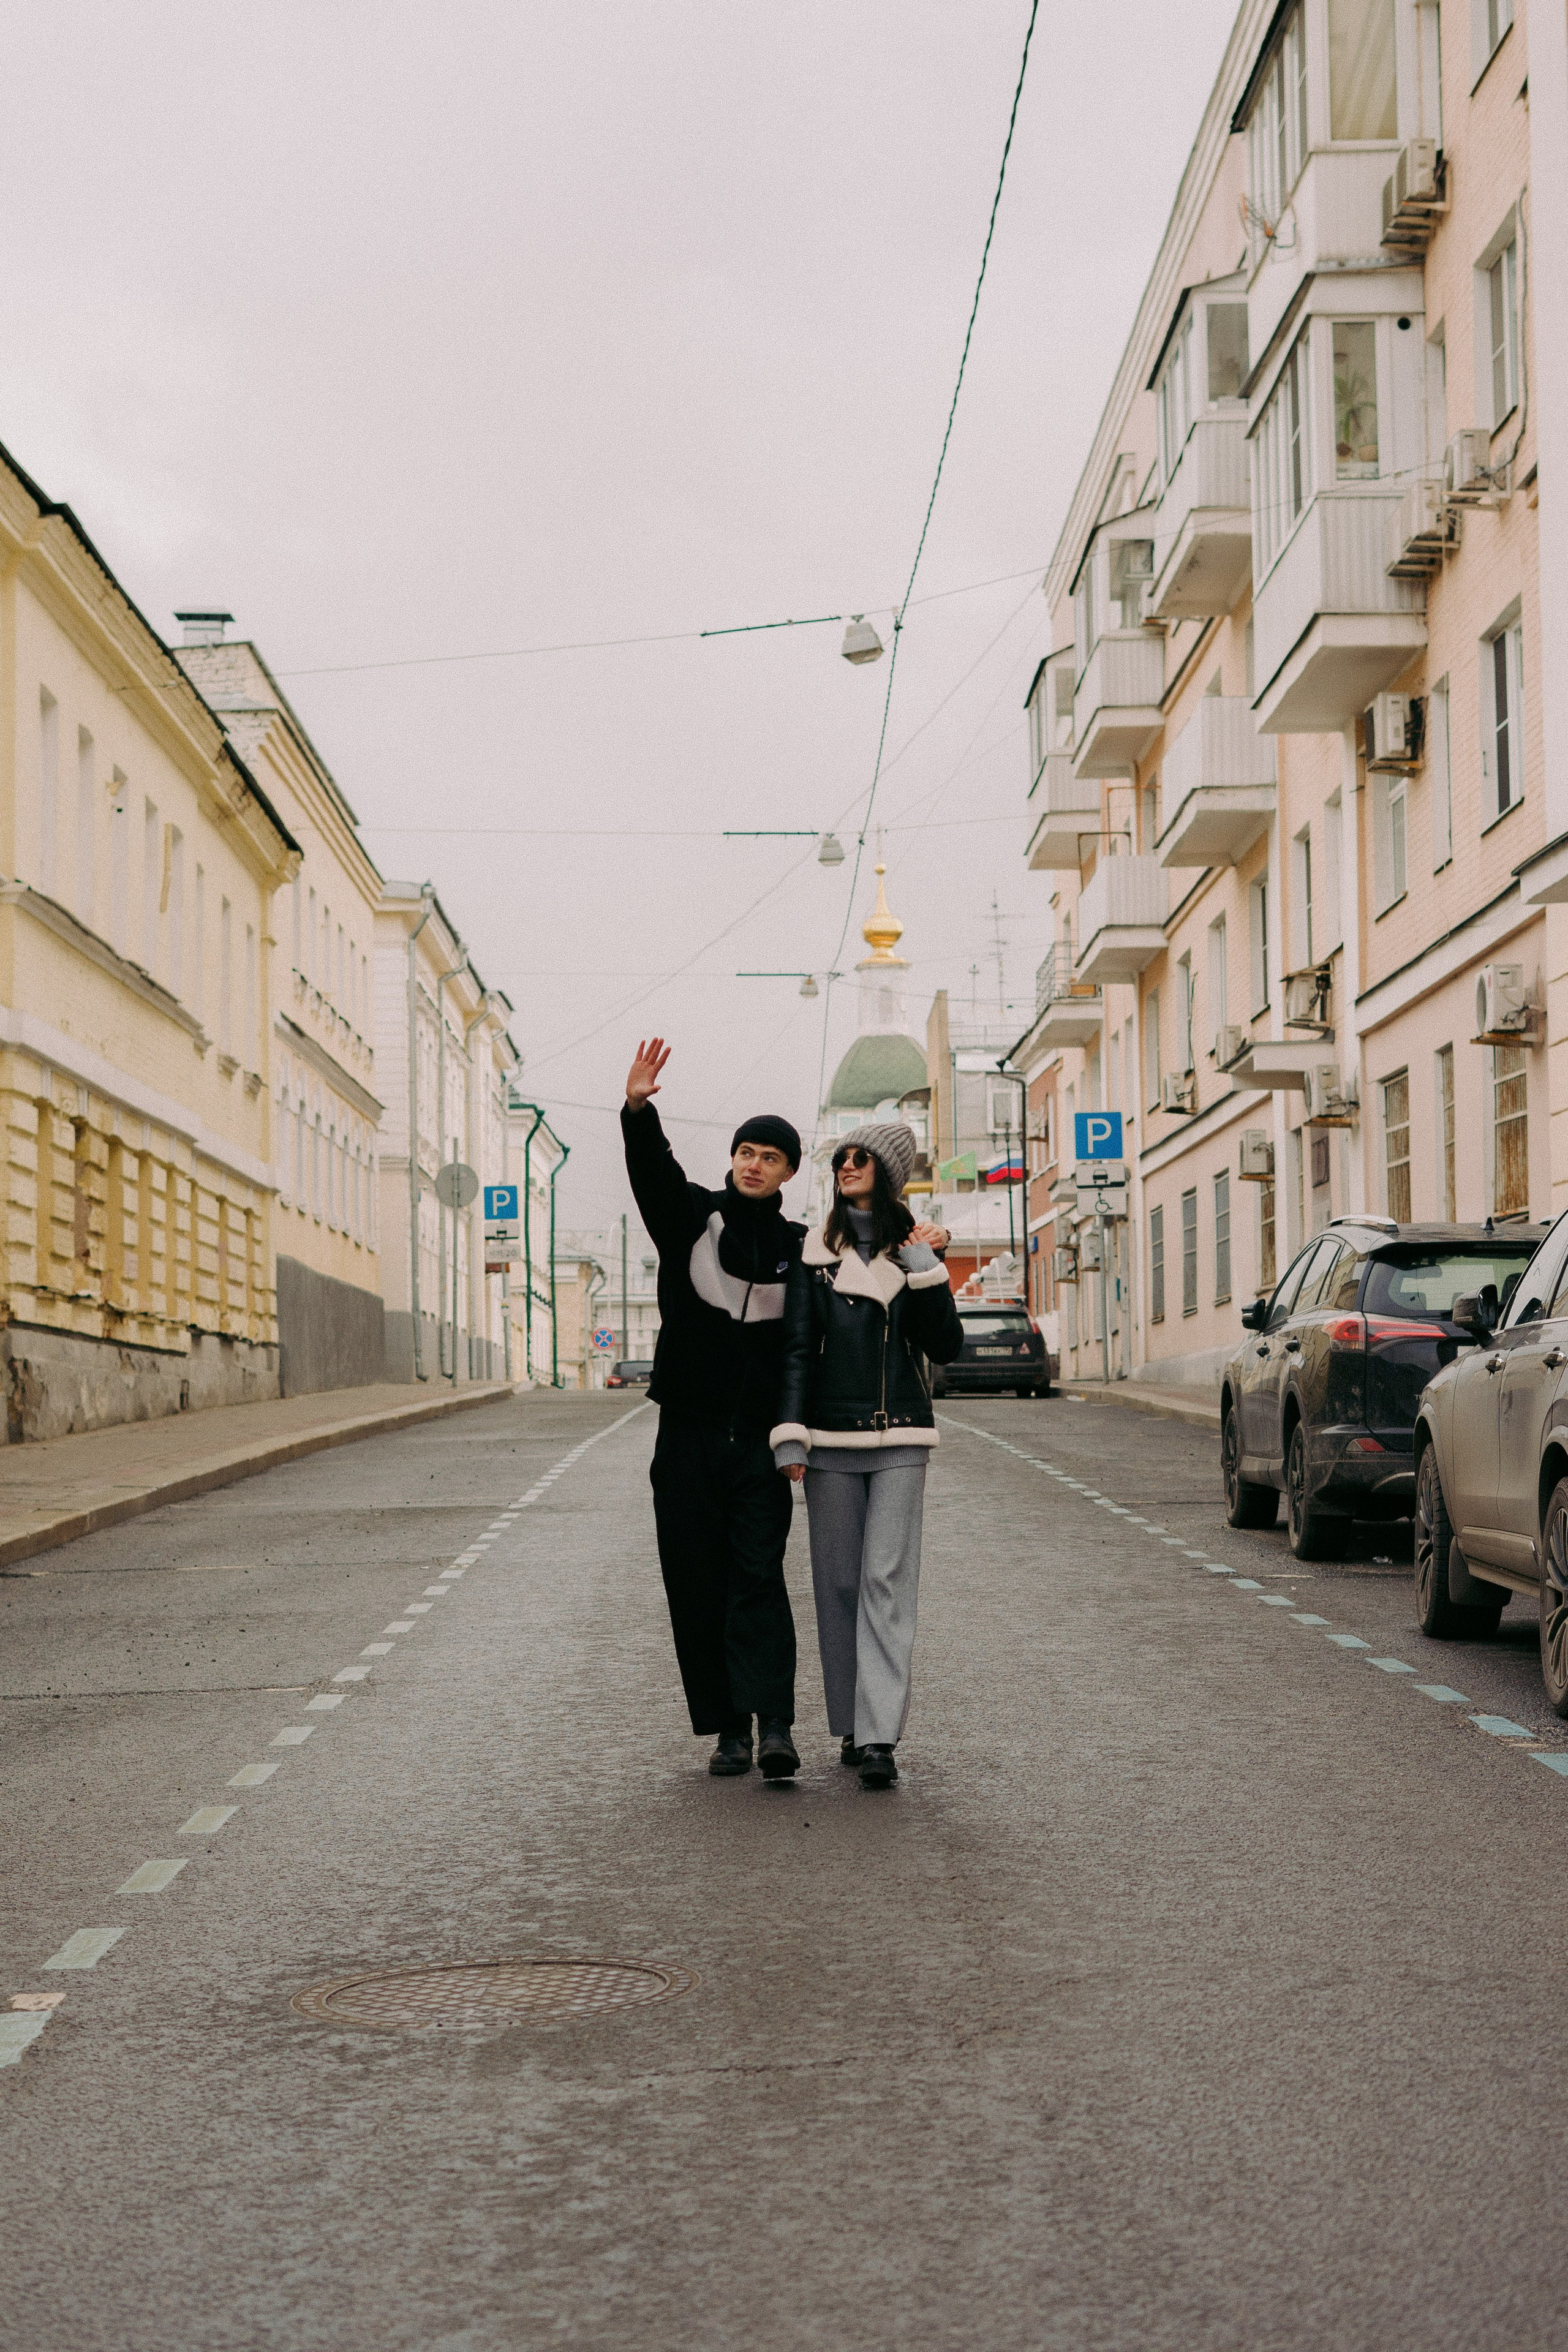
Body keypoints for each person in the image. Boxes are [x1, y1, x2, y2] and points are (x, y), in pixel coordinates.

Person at [622, 1036, 806, 1780]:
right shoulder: (692, 1222)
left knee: (759, 1578)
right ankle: (728, 1728)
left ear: (789, 1172)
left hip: (763, 1447)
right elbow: (652, 1175)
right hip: (688, 1437)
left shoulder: (803, 1249)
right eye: (746, 1152)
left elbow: (814, 1348)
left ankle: (776, 1728)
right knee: (697, 1579)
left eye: (770, 1156)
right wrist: (638, 1110)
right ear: (732, 1160)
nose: (754, 1163)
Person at [771, 1122, 963, 1789]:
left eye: (861, 1158)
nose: (848, 1166)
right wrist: (790, 1431)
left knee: (885, 1580)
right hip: (828, 1439)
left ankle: (879, 1737)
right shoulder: (815, 1252)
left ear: (887, 1172)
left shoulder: (915, 1248)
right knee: (840, 1584)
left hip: (902, 1436)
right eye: (842, 1158)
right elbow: (796, 1349)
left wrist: (926, 1272)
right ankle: (853, 1722)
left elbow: (946, 1347)